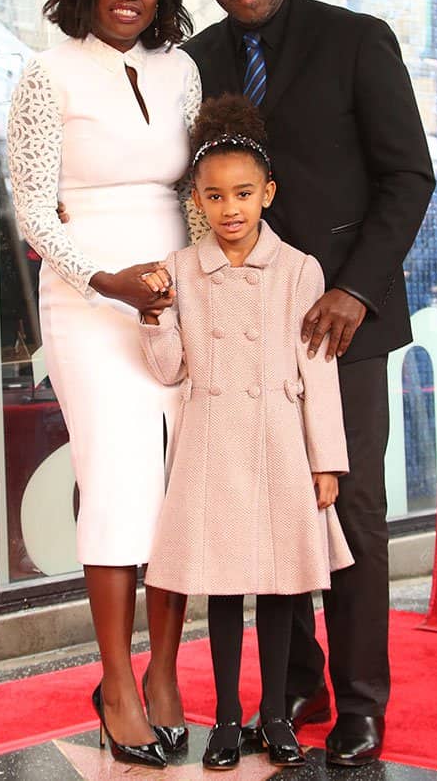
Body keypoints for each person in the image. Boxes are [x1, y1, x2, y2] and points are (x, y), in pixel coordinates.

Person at [181, 0, 435, 766]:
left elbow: (408, 176)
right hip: (239, 334)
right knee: (271, 508)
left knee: (350, 508)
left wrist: (356, 290)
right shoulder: (196, 62)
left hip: (341, 327)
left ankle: (362, 703)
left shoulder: (356, 38)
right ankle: (304, 680)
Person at [7, 0, 201, 770]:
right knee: (119, 482)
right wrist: (108, 280)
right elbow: (32, 210)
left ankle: (165, 673)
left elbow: (198, 192)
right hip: (91, 303)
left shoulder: (182, 70)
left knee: (182, 488)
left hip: (178, 296)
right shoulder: (45, 76)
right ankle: (116, 682)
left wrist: (202, 285)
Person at [139, 94, 354, 771]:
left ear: (268, 193)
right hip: (212, 444)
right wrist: (155, 316)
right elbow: (170, 368)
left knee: (286, 590)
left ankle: (274, 717)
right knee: (225, 589)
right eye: (214, 197)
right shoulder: (181, 271)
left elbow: (318, 373)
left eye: (242, 194)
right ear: (196, 202)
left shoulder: (298, 271)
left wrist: (328, 463)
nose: (229, 209)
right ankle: (228, 720)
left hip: (281, 444)